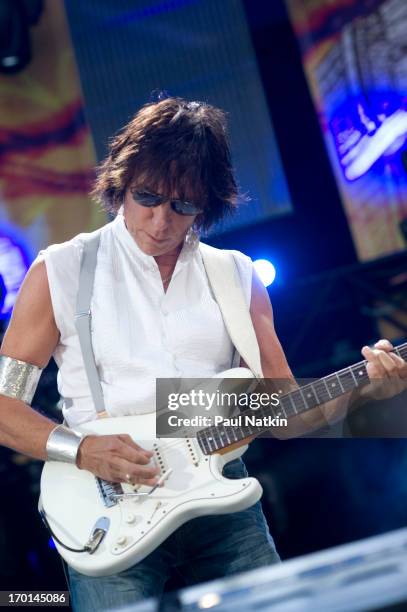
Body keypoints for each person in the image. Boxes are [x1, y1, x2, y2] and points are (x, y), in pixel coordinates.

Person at [0, 97, 405, 611]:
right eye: (147, 196)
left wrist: (372, 390)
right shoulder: (61, 269)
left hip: (221, 495)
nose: (161, 220)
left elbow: (284, 415)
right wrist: (80, 449)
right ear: (121, 181)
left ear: (207, 204)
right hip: (107, 503)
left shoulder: (235, 275)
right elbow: (2, 407)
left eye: (183, 205)